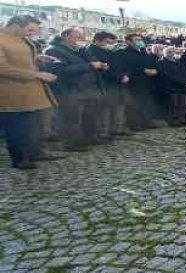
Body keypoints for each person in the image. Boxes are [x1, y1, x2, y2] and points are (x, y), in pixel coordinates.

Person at [0, 16, 60, 170]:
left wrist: (38, 59)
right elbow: (3, 68)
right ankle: (19, 159)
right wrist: (38, 75)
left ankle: (35, 152)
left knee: (34, 125)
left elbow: (21, 59)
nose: (32, 33)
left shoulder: (22, 39)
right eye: (30, 30)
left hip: (31, 90)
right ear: (15, 26)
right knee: (16, 127)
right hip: (11, 92)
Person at [44, 28, 107, 151]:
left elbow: (92, 62)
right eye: (78, 37)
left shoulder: (80, 50)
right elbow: (61, 70)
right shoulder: (53, 50)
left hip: (89, 88)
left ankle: (90, 137)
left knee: (90, 116)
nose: (81, 40)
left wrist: (99, 64)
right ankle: (71, 143)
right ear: (66, 36)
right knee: (71, 118)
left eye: (82, 37)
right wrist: (89, 66)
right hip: (70, 90)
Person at [84, 31, 130, 138]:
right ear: (97, 40)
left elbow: (117, 66)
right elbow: (105, 69)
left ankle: (115, 128)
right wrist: (119, 76)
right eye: (108, 42)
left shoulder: (110, 51)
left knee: (116, 106)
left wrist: (124, 75)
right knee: (105, 109)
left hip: (117, 83)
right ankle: (104, 131)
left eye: (113, 42)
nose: (111, 44)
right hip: (105, 83)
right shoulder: (91, 51)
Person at [118, 33, 160, 131]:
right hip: (133, 83)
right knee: (134, 105)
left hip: (146, 82)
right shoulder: (123, 53)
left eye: (140, 40)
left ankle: (146, 121)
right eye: (137, 40)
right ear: (128, 41)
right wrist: (142, 71)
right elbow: (126, 68)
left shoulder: (143, 53)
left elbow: (151, 63)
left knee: (145, 103)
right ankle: (134, 124)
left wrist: (154, 70)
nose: (140, 42)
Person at [156, 47, 186, 126]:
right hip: (171, 88)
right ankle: (173, 120)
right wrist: (183, 83)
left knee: (183, 105)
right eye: (174, 52)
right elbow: (168, 76)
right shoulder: (161, 63)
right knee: (174, 106)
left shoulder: (178, 62)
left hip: (183, 88)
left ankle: (182, 119)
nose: (176, 53)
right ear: (168, 53)